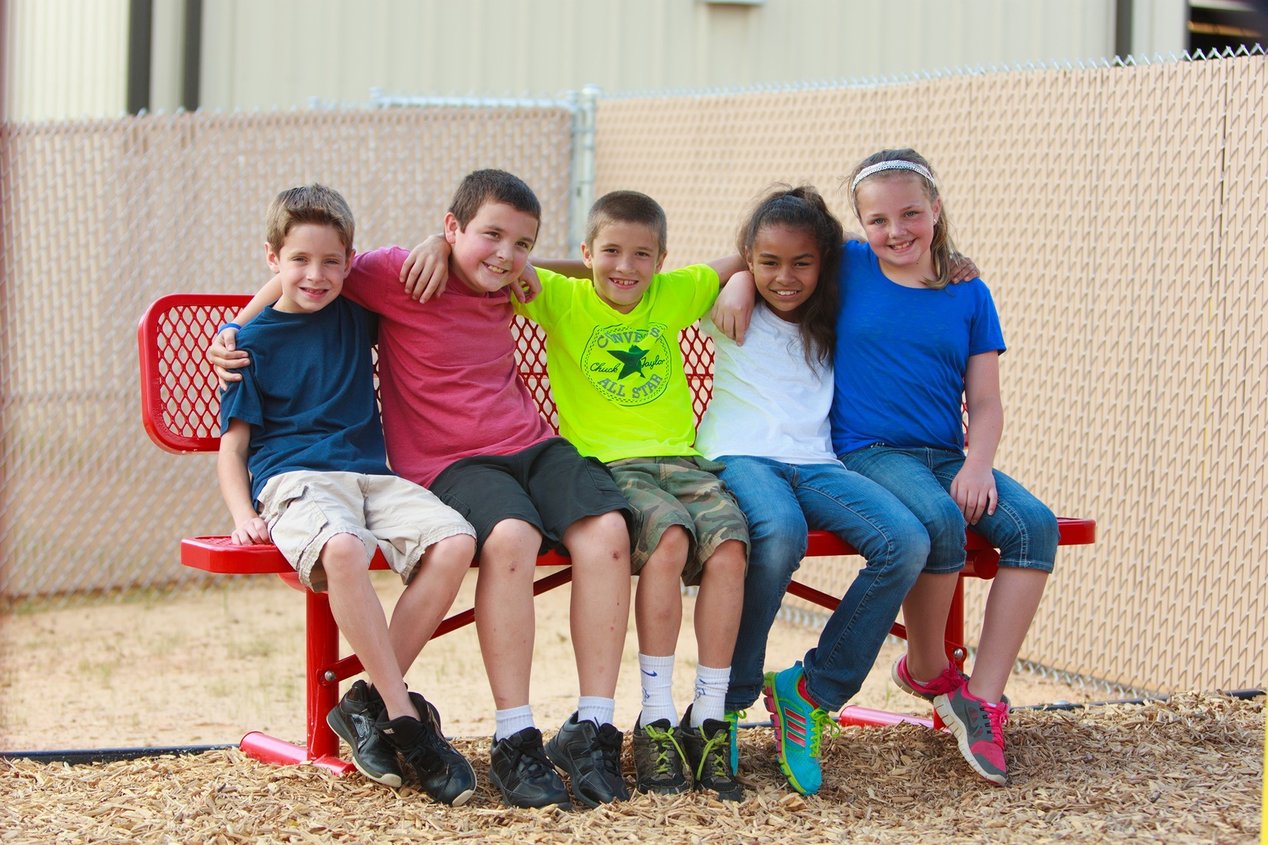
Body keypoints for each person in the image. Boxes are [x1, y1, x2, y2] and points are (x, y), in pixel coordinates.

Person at [212, 171, 634, 811]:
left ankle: (593, 727)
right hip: (424, 466)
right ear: (452, 227)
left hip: (502, 449)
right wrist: (234, 330)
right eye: (489, 235)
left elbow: (572, 270)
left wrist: (513, 257)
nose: (505, 254)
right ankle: (503, 734)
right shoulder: (393, 275)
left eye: (520, 243)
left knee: (606, 530)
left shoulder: (504, 275)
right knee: (510, 537)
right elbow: (308, 270)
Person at [717, 149, 1058, 787]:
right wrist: (737, 276)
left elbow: (986, 402)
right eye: (878, 220)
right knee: (933, 521)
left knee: (1035, 526)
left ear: (936, 210)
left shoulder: (968, 291)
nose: (896, 231)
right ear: (860, 224)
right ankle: (922, 669)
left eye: (911, 215)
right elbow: (776, 253)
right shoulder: (848, 264)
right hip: (869, 450)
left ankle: (979, 698)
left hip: (947, 455)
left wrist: (979, 465)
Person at [403, 190, 750, 801]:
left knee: (729, 547)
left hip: (684, 463)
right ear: (587, 253)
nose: (626, 267)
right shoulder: (563, 298)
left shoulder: (673, 293)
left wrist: (743, 279)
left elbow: (743, 257)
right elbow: (500, 260)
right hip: (603, 466)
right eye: (610, 252)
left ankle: (694, 717)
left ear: (662, 259)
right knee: (666, 541)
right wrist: (438, 241)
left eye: (642, 255)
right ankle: (653, 717)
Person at [215, 184, 479, 805]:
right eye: (299, 260)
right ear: (273, 259)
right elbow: (233, 447)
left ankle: (362, 705)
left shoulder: (356, 309)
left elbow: (416, 264)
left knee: (456, 540)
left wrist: (437, 243)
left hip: (371, 478)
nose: (316, 275)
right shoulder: (249, 346)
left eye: (331, 261)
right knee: (342, 547)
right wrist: (243, 514)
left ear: (349, 261)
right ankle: (404, 718)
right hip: (295, 480)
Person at [694, 186, 930, 797]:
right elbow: (656, 282)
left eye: (802, 262)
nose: (785, 277)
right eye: (769, 262)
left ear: (823, 262)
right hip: (740, 455)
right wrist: (738, 273)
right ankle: (726, 702)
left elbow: (888, 260)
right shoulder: (727, 299)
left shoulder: (837, 310)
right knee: (779, 531)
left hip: (817, 462)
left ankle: (811, 690)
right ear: (751, 257)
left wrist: (953, 262)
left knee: (905, 541)